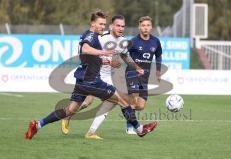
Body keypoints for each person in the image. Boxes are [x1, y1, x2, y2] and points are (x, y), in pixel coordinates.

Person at [25, 11, 157, 140]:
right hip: (92, 80)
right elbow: (85, 49)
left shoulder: (91, 35)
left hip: (82, 79)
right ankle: (140, 130)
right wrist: (104, 52)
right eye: (100, 24)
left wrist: (104, 60)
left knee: (69, 111)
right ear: (92, 23)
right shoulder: (92, 36)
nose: (102, 27)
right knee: (122, 101)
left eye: (103, 24)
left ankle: (37, 124)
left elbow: (88, 56)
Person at [125, 16, 162, 134]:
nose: (145, 28)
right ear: (139, 27)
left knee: (140, 106)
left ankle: (125, 108)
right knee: (134, 99)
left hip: (145, 76)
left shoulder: (155, 41)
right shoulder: (133, 41)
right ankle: (130, 127)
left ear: (151, 27)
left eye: (148, 25)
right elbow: (124, 54)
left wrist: (158, 71)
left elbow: (159, 55)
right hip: (132, 73)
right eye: (143, 25)